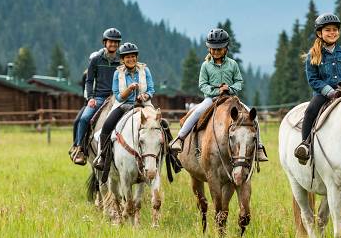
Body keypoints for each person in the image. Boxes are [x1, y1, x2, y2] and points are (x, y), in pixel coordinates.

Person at [170, 28, 268, 161]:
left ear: (226, 49)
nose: (216, 52)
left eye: (219, 49)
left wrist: (230, 88)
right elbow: (202, 85)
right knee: (197, 113)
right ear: (209, 49)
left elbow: (239, 82)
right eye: (213, 49)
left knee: (251, 114)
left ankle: (259, 148)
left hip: (231, 98)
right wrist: (217, 91)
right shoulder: (205, 66)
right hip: (211, 99)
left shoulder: (232, 64)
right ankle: (180, 138)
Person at [294, 13, 341, 163]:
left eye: (335, 29)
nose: (332, 33)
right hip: (324, 94)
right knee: (310, 111)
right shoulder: (313, 55)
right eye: (328, 30)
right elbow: (313, 79)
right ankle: (305, 145)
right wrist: (329, 92)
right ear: (319, 33)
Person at [94, 42, 155, 180]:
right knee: (107, 126)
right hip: (123, 106)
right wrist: (129, 90)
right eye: (127, 57)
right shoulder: (118, 73)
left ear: (136, 57)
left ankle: (170, 154)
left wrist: (145, 95)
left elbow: (151, 89)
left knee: (161, 124)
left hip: (144, 104)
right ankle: (102, 157)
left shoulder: (145, 71)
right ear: (122, 59)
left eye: (133, 56)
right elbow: (118, 96)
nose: (131, 59)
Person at [69, 27, 121, 165]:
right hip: (99, 97)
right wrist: (91, 97)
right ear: (105, 43)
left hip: (117, 98)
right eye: (111, 42)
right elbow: (89, 80)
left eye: (116, 42)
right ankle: (80, 149)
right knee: (84, 118)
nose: (113, 45)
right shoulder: (96, 60)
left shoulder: (121, 60)